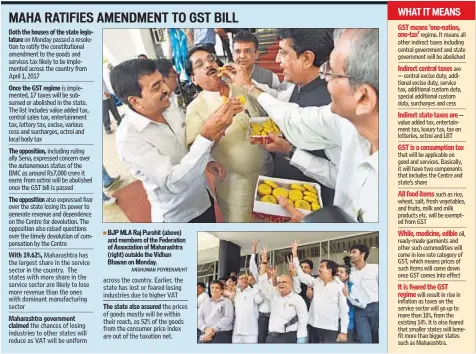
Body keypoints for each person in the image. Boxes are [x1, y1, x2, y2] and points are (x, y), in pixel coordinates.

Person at [226, 28, 379, 223]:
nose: (326, 81)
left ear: (364, 97)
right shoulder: (342, 120)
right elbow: (293, 116)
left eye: (331, 73)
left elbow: (337, 177)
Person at [111, 59, 232, 222]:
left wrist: (207, 159)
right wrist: (206, 135)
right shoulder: (130, 139)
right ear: (135, 101)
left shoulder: (168, 104)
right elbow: (172, 182)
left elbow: (185, 145)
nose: (167, 89)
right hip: (179, 216)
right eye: (156, 87)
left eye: (162, 81)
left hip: (203, 197)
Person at [185, 46, 273, 222]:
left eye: (210, 59)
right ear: (194, 79)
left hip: (267, 172)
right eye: (200, 64)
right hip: (236, 185)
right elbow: (194, 148)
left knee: (271, 223)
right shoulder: (195, 108)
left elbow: (266, 113)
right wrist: (220, 126)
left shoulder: (241, 87)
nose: (208, 65)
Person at [291, 240, 349, 343]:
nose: (318, 269)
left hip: (329, 329)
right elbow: (300, 275)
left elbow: (344, 310)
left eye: (322, 267)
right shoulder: (315, 282)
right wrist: (295, 254)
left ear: (330, 271)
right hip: (312, 326)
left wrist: (344, 331)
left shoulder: (339, 286)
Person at [258, 247, 308, 343]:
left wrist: (301, 338)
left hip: (287, 338)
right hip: (271, 338)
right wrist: (264, 262)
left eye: (284, 282)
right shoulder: (274, 297)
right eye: (279, 282)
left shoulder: (297, 299)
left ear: (291, 285)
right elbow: (262, 281)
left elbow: (303, 320)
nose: (281, 284)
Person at [349, 244, 379, 343]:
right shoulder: (349, 273)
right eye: (350, 252)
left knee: (376, 338)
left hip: (376, 307)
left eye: (354, 252)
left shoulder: (375, 268)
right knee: (364, 339)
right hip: (360, 310)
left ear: (362, 254)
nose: (351, 255)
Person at [232, 271, 263, 343]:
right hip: (237, 331)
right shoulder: (236, 293)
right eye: (241, 278)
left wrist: (255, 284)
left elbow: (259, 300)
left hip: (251, 331)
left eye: (246, 278)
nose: (244, 280)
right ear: (237, 280)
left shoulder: (253, 290)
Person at [337, 264, 356, 343]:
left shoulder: (352, 287)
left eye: (341, 272)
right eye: (337, 271)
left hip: (348, 323)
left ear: (347, 275)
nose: (338, 273)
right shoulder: (332, 286)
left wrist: (348, 295)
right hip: (334, 323)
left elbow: (355, 304)